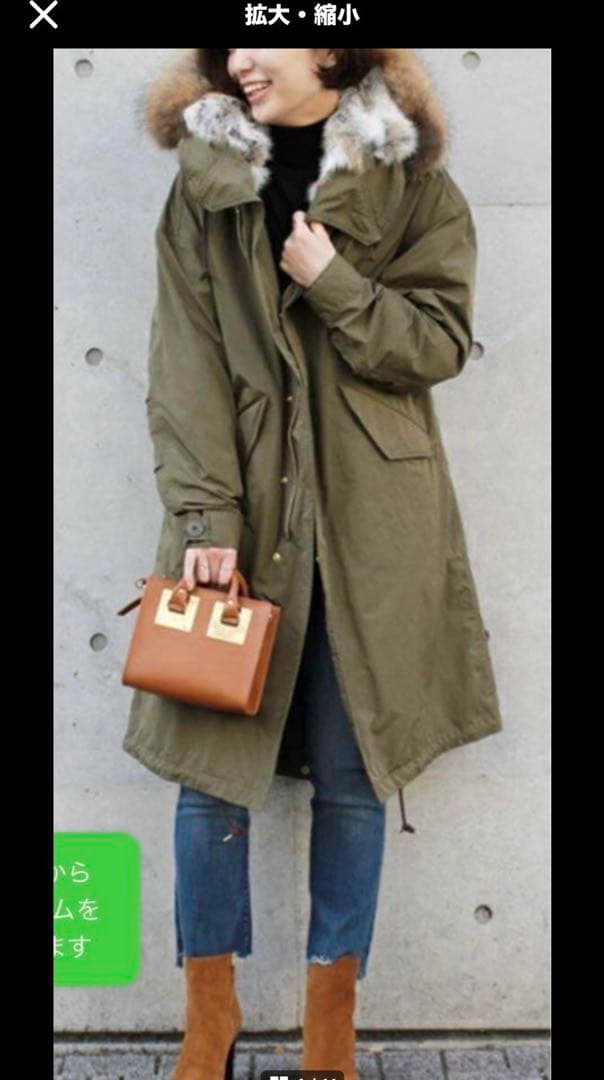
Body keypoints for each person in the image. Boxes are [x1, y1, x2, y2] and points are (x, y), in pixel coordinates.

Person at [124, 48, 505, 1080]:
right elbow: (184, 362)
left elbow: (437, 344)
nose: (241, 58)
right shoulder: (204, 186)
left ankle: (330, 1037)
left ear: (331, 49)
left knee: (350, 777)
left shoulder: (416, 185)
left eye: (266, 35)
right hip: (239, 520)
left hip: (370, 521)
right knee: (210, 776)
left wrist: (330, 280)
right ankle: (209, 1025)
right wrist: (205, 515)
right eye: (233, 41)